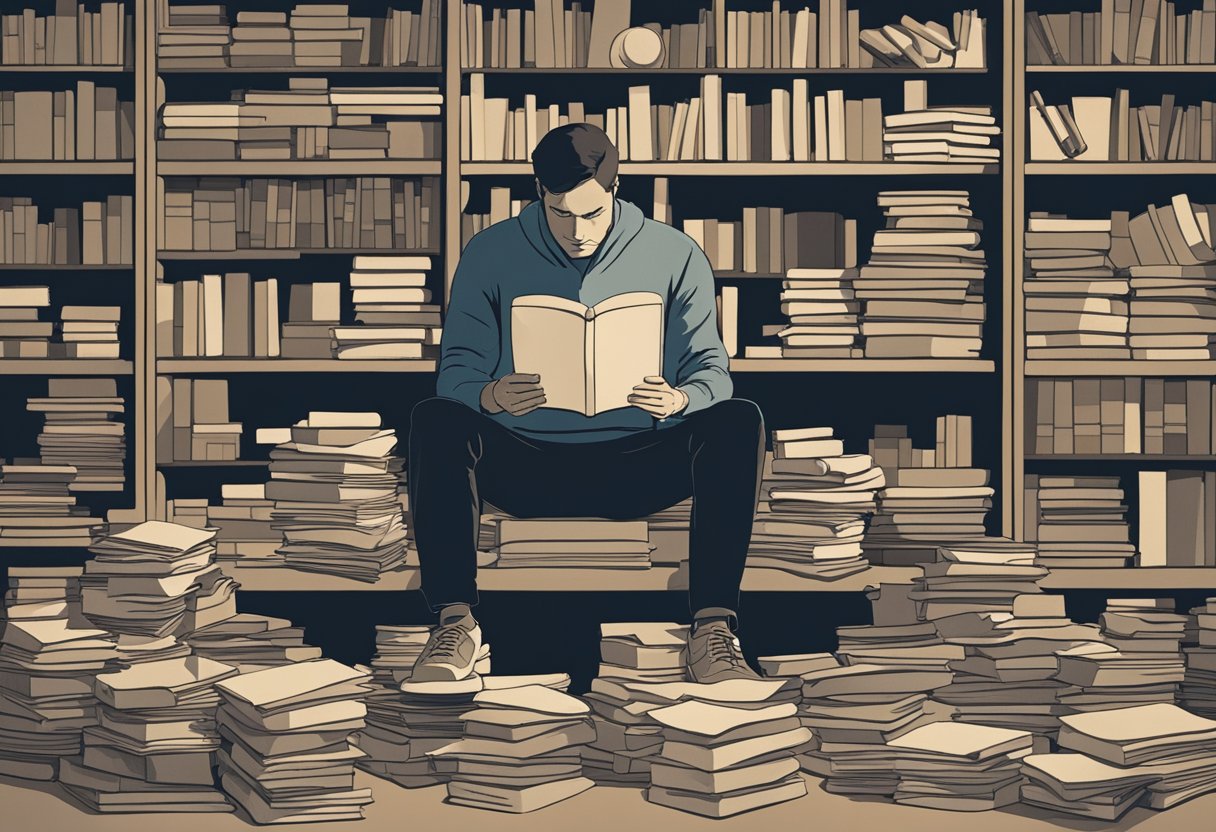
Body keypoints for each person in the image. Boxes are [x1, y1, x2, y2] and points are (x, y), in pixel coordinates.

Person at [407, 123, 765, 684]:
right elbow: (453, 377)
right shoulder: (489, 252)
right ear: (537, 193)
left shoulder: (675, 254)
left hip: (636, 459)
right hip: (527, 461)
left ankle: (713, 629)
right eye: (560, 213)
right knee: (435, 422)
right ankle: (455, 623)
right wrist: (490, 395)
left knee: (739, 421)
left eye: (592, 214)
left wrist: (679, 399)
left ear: (616, 191)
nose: (577, 232)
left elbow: (714, 375)